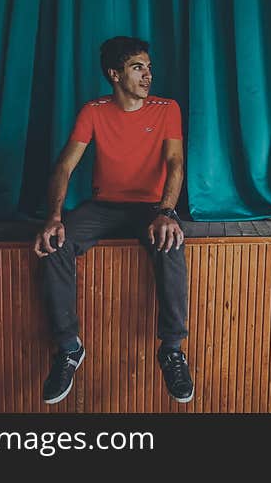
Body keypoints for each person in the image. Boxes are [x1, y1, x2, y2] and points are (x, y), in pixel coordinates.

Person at [32, 36, 193, 405]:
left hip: (151, 208)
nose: (148, 75)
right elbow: (64, 166)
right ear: (115, 74)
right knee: (55, 242)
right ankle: (69, 348)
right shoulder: (94, 110)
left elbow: (175, 164)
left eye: (149, 68)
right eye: (138, 67)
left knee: (171, 242)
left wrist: (167, 214)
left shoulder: (167, 108)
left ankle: (171, 349)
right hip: (104, 206)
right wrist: (53, 217)